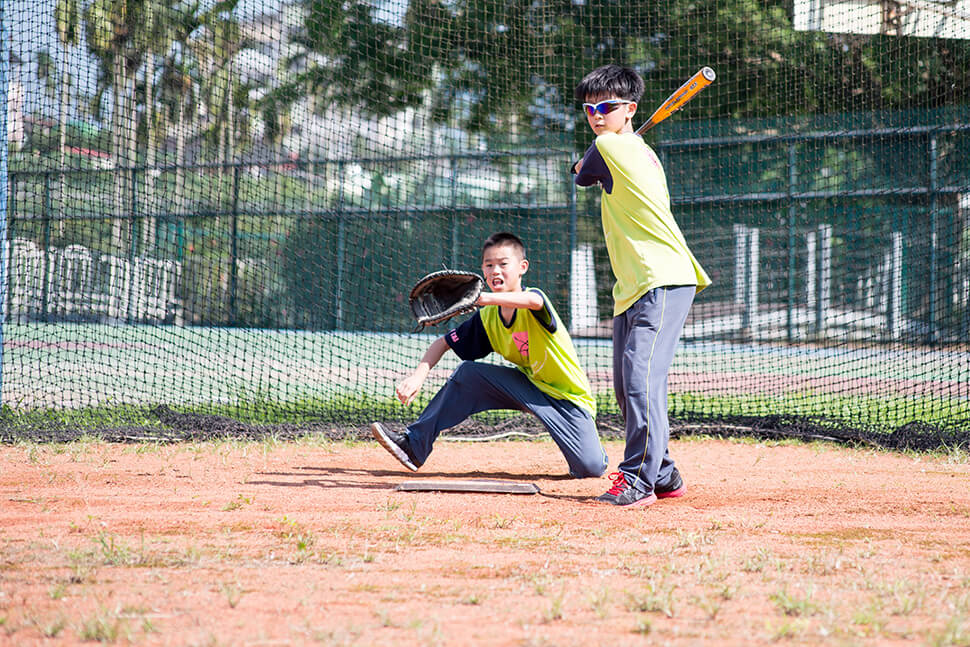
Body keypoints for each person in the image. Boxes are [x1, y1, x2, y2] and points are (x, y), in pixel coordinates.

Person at [573, 64, 711, 507]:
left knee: (640, 378)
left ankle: (637, 479)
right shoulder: (629, 146)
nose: (597, 115)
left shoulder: (609, 145)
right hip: (632, 284)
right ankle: (665, 472)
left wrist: (581, 162)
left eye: (607, 107)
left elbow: (580, 173)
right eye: (590, 108)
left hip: (663, 277)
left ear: (630, 110)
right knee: (625, 384)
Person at [371, 232, 608, 479]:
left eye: (504, 264)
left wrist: (481, 298)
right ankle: (414, 445)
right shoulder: (487, 318)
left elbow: (533, 301)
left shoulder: (534, 299)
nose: (496, 271)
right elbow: (442, 343)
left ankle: (591, 452)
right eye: (489, 265)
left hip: (568, 400)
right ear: (482, 270)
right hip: (527, 388)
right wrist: (418, 376)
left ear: (522, 268)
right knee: (470, 374)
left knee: (590, 468)